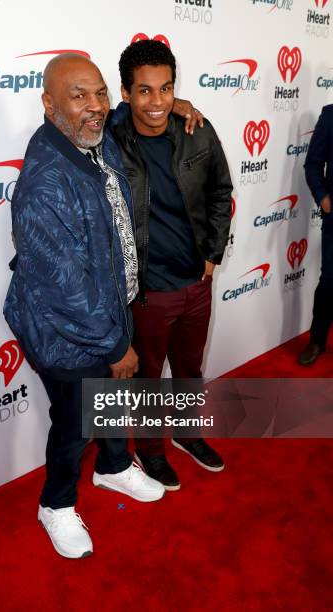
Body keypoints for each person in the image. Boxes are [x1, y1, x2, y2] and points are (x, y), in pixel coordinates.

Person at [3, 53, 166, 559]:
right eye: (78, 96)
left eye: (100, 92)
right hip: (67, 331)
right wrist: (118, 345)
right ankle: (55, 504)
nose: (95, 107)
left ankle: (114, 468)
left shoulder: (89, 136)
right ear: (48, 104)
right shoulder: (44, 182)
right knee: (77, 422)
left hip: (107, 311)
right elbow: (66, 288)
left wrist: (173, 102)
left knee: (112, 403)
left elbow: (116, 113)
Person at [109, 39, 233, 490]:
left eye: (166, 89)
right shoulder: (112, 141)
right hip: (148, 290)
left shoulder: (197, 129)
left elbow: (222, 191)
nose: (157, 101)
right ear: (125, 93)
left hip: (196, 282)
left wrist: (213, 255)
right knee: (147, 378)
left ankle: (186, 433)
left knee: (188, 370)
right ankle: (151, 449)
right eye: (144, 91)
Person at [299, 104, 333, 366]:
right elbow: (312, 164)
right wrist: (322, 198)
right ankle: (317, 340)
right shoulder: (330, 116)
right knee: (330, 280)